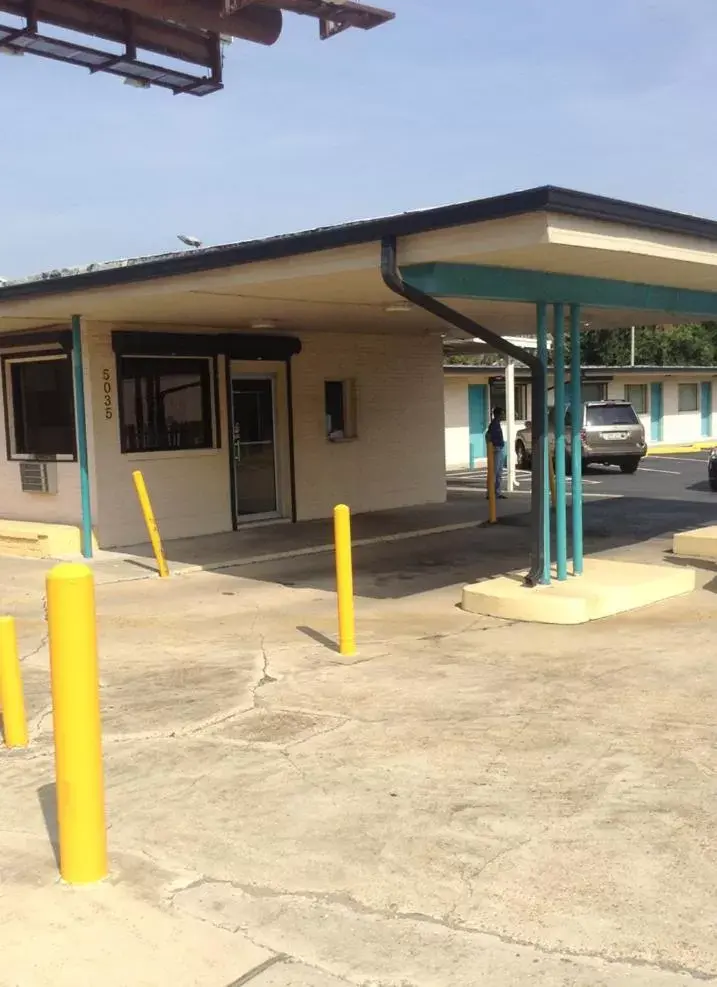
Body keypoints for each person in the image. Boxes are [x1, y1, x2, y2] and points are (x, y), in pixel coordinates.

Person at [486, 406, 507, 499]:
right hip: (496, 449)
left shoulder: (497, 424)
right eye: (502, 413)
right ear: (498, 414)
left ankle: (497, 492)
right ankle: (490, 493)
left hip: (500, 448)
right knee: (494, 472)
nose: (503, 415)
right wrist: (493, 448)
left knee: (499, 473)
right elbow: (489, 436)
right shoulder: (493, 425)